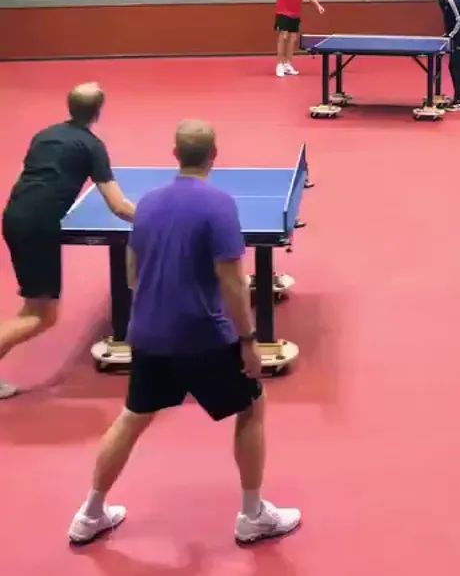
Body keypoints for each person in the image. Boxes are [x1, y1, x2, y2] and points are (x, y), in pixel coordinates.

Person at [68, 119, 301, 547]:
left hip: (148, 332)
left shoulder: (148, 204)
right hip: (203, 335)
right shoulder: (220, 206)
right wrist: (248, 342)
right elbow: (232, 280)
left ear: (174, 155)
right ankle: (252, 515)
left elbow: (134, 275)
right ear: (215, 156)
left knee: (133, 417)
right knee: (252, 407)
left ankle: (90, 513)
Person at [0, 82, 135, 400]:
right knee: (42, 317)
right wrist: (159, 220)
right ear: (98, 112)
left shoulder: (44, 135)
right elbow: (118, 205)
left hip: (14, 216)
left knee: (31, 309)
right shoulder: (91, 146)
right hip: (38, 227)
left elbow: (28, 177)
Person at [267, 0, 325, 77]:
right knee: (283, 37)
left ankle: (288, 64)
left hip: (295, 13)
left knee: (292, 39)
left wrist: (318, 5)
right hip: (282, 12)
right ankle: (279, 64)